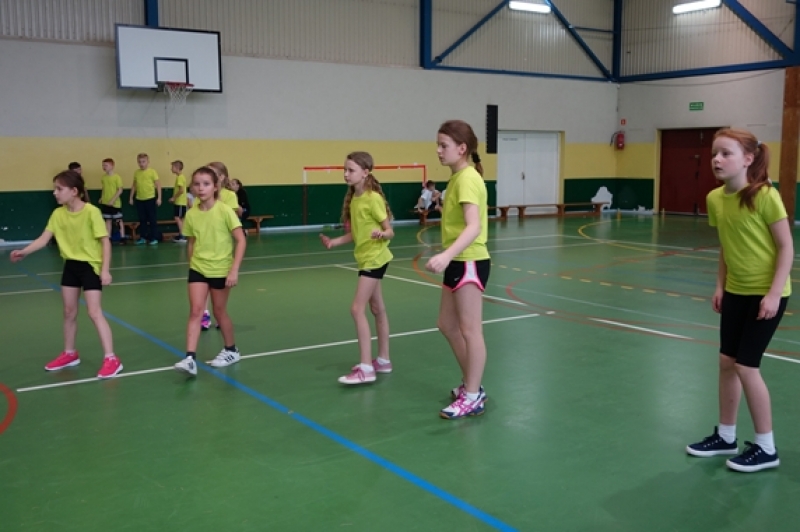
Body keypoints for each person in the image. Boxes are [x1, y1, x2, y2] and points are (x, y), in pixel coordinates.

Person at [686, 128, 792, 473]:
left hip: (766, 294)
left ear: (748, 159)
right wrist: (720, 285)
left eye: (726, 153)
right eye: (714, 153)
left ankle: (766, 447)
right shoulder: (715, 199)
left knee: (747, 366)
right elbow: (726, 246)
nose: (717, 160)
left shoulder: (765, 196)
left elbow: (786, 247)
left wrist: (773, 293)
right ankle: (726, 436)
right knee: (726, 362)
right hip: (735, 291)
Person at [10, 170, 123, 379]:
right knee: (69, 312)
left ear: (74, 191)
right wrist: (24, 251)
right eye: (55, 188)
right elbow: (44, 239)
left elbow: (105, 241)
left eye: (59, 189)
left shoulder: (91, 212)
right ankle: (70, 353)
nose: (55, 193)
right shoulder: (58, 214)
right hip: (70, 266)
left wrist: (105, 270)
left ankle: (111, 359)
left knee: (94, 312)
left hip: (90, 267)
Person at [426, 120, 490, 419]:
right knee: (446, 324)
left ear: (462, 148)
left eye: (444, 145)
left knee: (470, 330)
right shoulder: (457, 178)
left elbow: (474, 226)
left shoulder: (467, 179)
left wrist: (447, 254)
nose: (439, 151)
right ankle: (472, 384)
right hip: (458, 260)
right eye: (438, 145)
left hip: (469, 261)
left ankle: (473, 395)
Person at [319, 152, 394, 384]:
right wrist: (334, 242)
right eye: (345, 170)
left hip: (375, 258)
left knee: (356, 309)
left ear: (365, 172)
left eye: (351, 170)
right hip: (365, 258)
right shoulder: (355, 199)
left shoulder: (373, 199)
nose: (346, 174)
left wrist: (382, 234)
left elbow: (390, 230)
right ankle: (383, 360)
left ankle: (366, 368)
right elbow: (356, 233)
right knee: (377, 308)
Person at [174, 166, 247, 376]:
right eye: (197, 184)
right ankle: (190, 358)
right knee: (196, 311)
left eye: (206, 184)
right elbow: (191, 242)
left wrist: (234, 270)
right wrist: (192, 264)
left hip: (221, 269)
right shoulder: (192, 214)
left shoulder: (224, 210)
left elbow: (241, 240)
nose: (201, 188)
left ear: (215, 187)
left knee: (219, 311)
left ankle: (231, 350)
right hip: (198, 268)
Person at [199, 162, 243, 331]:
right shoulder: (203, 194)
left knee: (218, 289)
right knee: (202, 285)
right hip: (203, 248)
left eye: (212, 173)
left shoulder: (229, 196)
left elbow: (232, 220)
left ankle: (220, 314)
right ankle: (204, 313)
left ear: (222, 177)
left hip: (221, 250)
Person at [128, 153, 161, 245]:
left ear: (148, 162)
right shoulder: (136, 173)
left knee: (152, 219)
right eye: (139, 162)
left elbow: (158, 185)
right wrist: (131, 197)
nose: (141, 164)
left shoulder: (152, 172)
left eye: (143, 162)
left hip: (150, 198)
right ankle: (143, 237)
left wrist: (159, 198)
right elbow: (134, 186)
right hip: (139, 199)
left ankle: (154, 238)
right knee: (142, 219)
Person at [98, 158, 126, 243]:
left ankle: (122, 237)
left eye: (106, 165)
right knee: (108, 220)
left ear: (112, 166)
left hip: (115, 204)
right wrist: (102, 197)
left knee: (118, 220)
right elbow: (104, 188)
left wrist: (113, 200)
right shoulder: (103, 177)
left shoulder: (117, 177)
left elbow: (120, 190)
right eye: (103, 165)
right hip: (106, 203)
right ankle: (109, 237)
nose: (104, 167)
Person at [168, 160, 188, 243]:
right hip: (182, 202)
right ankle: (182, 234)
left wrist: (174, 198)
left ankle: (182, 236)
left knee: (177, 218)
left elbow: (181, 190)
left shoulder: (180, 177)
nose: (171, 169)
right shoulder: (181, 177)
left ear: (177, 168)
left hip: (180, 202)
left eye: (172, 167)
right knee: (181, 219)